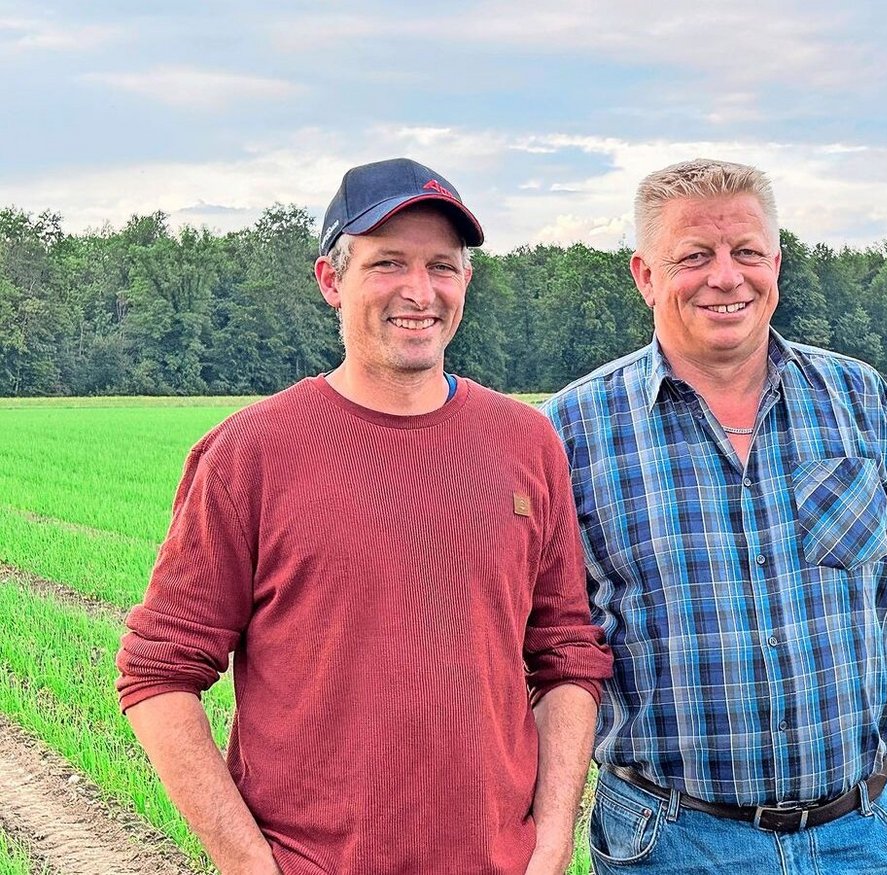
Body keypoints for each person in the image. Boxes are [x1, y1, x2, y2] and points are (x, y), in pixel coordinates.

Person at [117, 157, 612, 875]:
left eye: (442, 266)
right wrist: (253, 866)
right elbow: (157, 673)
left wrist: (552, 837)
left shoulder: (526, 442)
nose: (419, 291)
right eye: (388, 263)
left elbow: (567, 652)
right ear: (330, 280)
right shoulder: (249, 453)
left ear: (465, 281)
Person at [543, 159, 887, 875]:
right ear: (644, 274)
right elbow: (544, 648)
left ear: (777, 263)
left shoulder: (858, 399)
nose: (725, 277)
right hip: (673, 840)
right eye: (693, 255)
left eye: (747, 253)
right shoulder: (572, 432)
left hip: (866, 832)